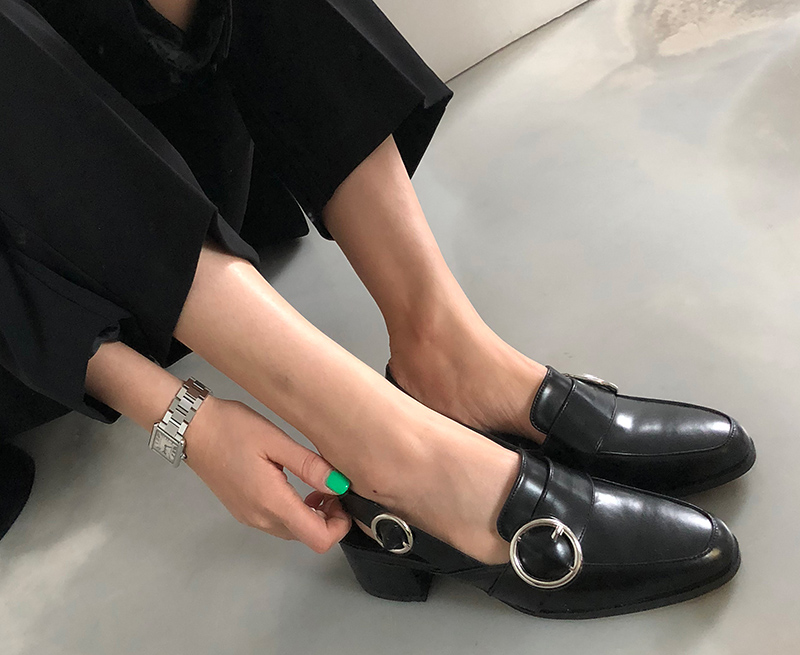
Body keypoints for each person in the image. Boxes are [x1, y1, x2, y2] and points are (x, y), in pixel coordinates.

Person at [0, 0, 755, 617]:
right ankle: (387, 451)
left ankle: (442, 345)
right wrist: (180, 418)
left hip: (136, 150)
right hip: (47, 308)